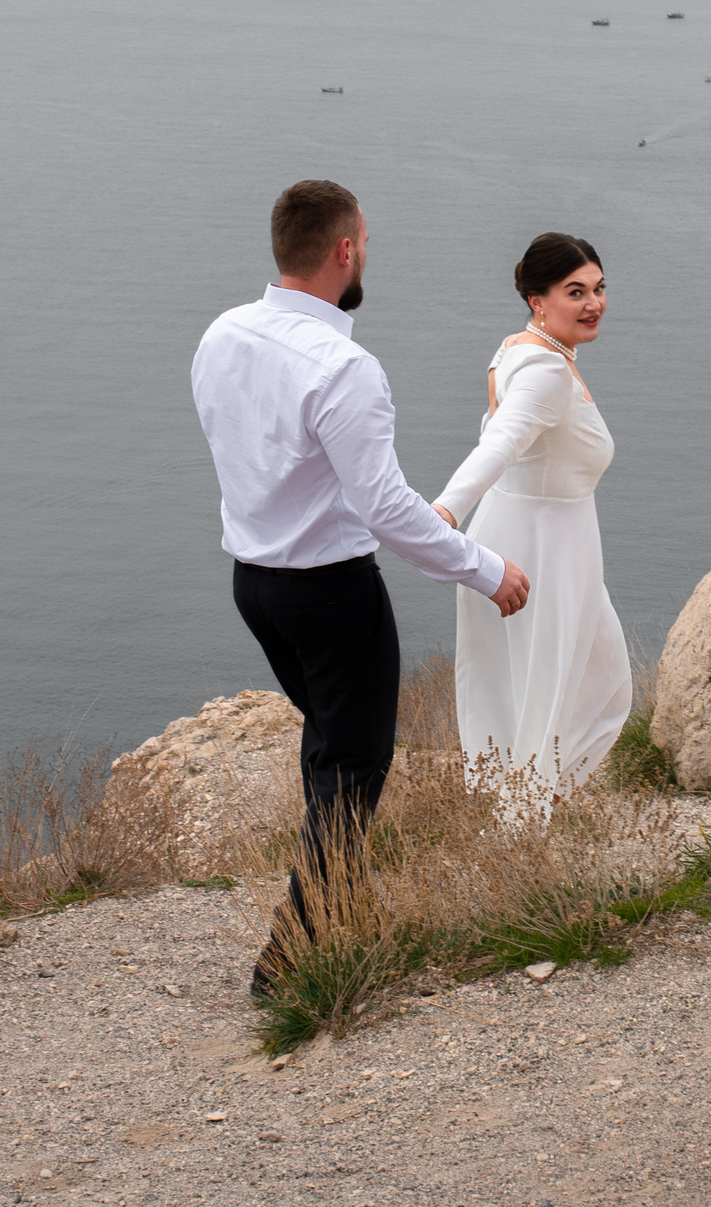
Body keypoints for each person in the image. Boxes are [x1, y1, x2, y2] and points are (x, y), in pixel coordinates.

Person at [190, 179, 530, 999]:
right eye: (366, 241)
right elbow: (383, 507)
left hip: (254, 585)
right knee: (356, 763)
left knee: (330, 749)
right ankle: (292, 957)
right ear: (344, 249)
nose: (367, 253)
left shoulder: (222, 333)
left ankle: (348, 909)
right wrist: (486, 570)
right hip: (332, 593)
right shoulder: (344, 367)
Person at [433, 232, 632, 797]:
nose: (593, 303)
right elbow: (499, 443)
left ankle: (520, 810)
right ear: (537, 300)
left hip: (530, 533)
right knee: (558, 689)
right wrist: (444, 511)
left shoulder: (520, 348)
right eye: (575, 292)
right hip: (543, 546)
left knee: (533, 686)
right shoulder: (546, 370)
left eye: (598, 288)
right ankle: (522, 827)